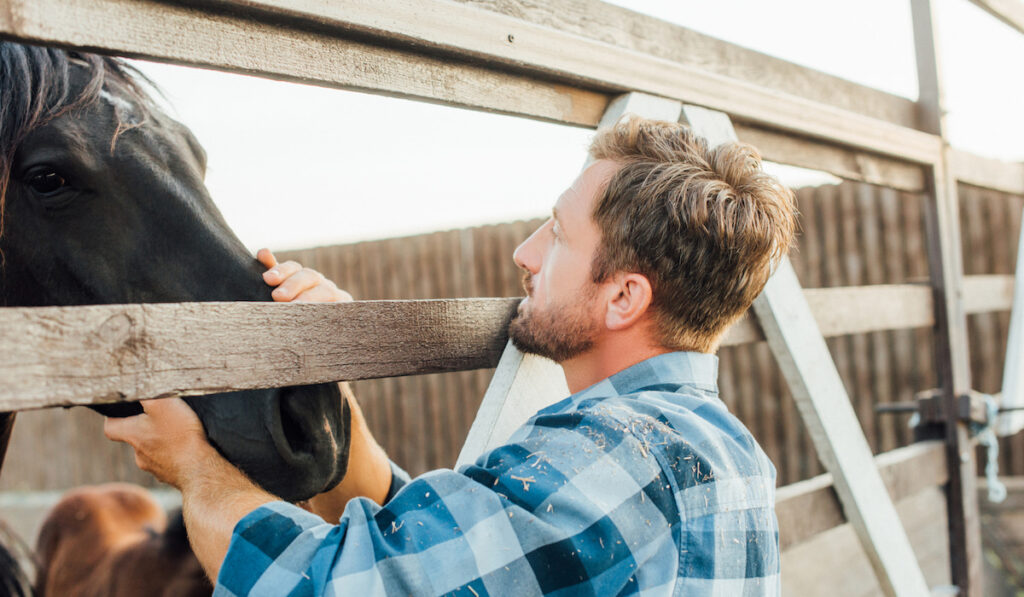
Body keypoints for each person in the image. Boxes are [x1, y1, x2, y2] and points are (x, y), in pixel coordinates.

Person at [104, 116, 796, 596]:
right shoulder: (725, 453)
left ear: (623, 297)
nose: (523, 255)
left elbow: (321, 585)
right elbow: (457, 559)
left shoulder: (617, 457)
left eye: (556, 235)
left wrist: (194, 469)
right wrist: (327, 388)